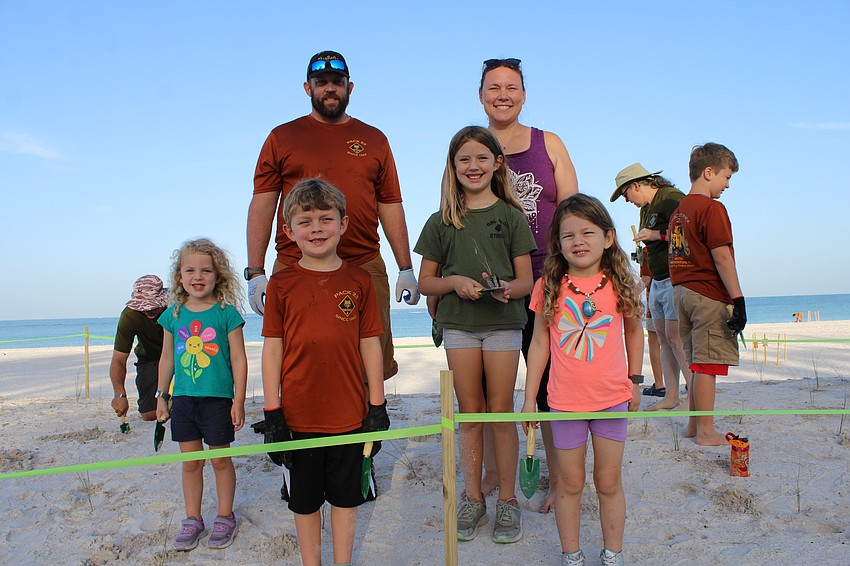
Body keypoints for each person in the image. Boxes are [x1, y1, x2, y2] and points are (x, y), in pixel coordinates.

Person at [247, 50, 419, 383]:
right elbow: (263, 203)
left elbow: (390, 203)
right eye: (321, 82)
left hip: (363, 263)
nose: (329, 89)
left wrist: (406, 267)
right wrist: (255, 272)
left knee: (371, 364)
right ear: (307, 87)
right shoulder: (282, 137)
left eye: (337, 83)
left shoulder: (374, 139)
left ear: (350, 87)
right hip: (295, 264)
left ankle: (369, 427)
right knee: (297, 362)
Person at [415, 126, 535, 544]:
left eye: (482, 158)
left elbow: (527, 281)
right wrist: (456, 282)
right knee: (469, 412)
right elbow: (427, 282)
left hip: (503, 325)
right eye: (464, 159)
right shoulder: (441, 221)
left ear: (497, 163)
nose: (473, 166)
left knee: (499, 412)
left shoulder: (511, 216)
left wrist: (504, 289)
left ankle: (507, 500)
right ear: (453, 166)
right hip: (459, 328)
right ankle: (471, 497)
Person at [260, 179, 389, 566]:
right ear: (288, 231)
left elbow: (371, 345)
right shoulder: (281, 284)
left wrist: (376, 407)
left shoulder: (359, 281)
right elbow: (272, 351)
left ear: (344, 224)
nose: (316, 228)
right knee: (304, 503)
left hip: (349, 416)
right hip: (298, 419)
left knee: (346, 501)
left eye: (326, 219)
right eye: (306, 221)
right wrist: (272, 412)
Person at [521, 194, 644, 566]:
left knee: (608, 482)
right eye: (568, 235)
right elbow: (540, 343)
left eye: (588, 232)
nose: (578, 241)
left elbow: (635, 333)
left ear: (608, 237)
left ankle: (613, 554)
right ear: (557, 243)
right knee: (569, 483)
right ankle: (571, 555)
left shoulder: (622, 281)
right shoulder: (549, 284)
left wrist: (635, 380)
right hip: (564, 403)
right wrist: (530, 398)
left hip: (611, 400)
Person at [479, 57, 578, 513]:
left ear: (524, 94)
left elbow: (575, 213)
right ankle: (494, 479)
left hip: (546, 276)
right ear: (481, 95)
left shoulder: (549, 143)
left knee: (551, 387)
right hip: (491, 286)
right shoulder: (471, 147)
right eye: (494, 87)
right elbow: (454, 214)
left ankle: (561, 480)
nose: (503, 94)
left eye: (511, 86)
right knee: (487, 391)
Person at [156, 239, 248, 551]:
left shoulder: (227, 313)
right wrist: (161, 396)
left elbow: (238, 359)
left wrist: (238, 400)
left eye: (206, 270)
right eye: (190, 270)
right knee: (191, 462)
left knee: (220, 459)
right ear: (179, 276)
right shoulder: (173, 314)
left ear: (218, 276)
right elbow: (167, 358)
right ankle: (193, 519)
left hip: (218, 400)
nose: (198, 276)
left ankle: (225, 516)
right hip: (183, 400)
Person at [669, 143, 745, 446]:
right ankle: (705, 431)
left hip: (682, 292)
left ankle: (692, 426)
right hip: (708, 293)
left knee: (695, 363)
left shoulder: (679, 211)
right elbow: (722, 256)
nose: (727, 185)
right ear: (709, 172)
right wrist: (738, 299)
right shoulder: (712, 208)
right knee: (708, 365)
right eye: (726, 177)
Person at [611, 163, 691, 410]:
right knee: (663, 339)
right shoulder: (645, 209)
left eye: (626, 195)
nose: (627, 201)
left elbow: (692, 230)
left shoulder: (671, 198)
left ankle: (695, 392)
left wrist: (657, 235)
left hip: (676, 277)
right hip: (656, 278)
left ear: (636, 184)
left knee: (676, 338)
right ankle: (671, 395)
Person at [110, 275, 168, 422]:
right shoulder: (130, 316)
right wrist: (120, 394)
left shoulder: (178, 307)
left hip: (180, 357)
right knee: (149, 415)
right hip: (150, 358)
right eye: (142, 307)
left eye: (152, 306)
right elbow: (119, 359)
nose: (147, 311)